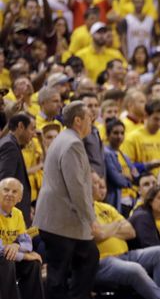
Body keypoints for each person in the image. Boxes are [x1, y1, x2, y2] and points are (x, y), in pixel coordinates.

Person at [34, 101, 100, 299]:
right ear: (78, 120)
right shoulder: (72, 143)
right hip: (62, 221)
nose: (92, 122)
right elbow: (77, 187)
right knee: (60, 274)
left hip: (58, 220)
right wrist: (91, 219)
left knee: (85, 259)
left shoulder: (64, 138)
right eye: (89, 118)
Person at [91, 174, 160, 299]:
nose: (100, 187)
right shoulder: (81, 210)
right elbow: (98, 235)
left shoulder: (107, 208)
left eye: (101, 183)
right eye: (95, 183)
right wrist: (116, 225)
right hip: (103, 261)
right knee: (135, 269)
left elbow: (131, 232)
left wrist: (107, 230)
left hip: (126, 255)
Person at [0, 178, 43, 299]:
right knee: (7, 260)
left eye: (14, 191)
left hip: (8, 258)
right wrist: (24, 255)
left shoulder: (17, 213)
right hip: (3, 260)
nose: (9, 194)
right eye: (6, 190)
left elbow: (27, 242)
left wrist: (16, 245)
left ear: (20, 198)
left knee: (33, 264)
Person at [0, 113, 34, 226]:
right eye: (31, 129)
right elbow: (5, 182)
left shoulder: (9, 142)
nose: (33, 134)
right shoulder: (10, 146)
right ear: (20, 126)